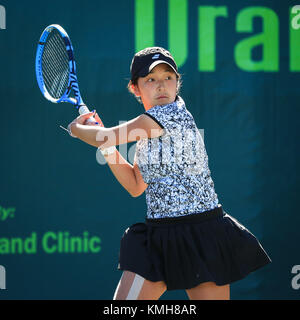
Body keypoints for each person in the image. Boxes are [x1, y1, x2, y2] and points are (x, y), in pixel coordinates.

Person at [67, 47, 271, 300]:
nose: (161, 86)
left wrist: (78, 130)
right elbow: (135, 185)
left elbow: (106, 136)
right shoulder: (147, 132)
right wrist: (104, 143)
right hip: (160, 237)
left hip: (203, 235)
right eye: (151, 79)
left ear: (177, 83)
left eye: (168, 77)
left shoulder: (171, 115)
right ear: (136, 88)